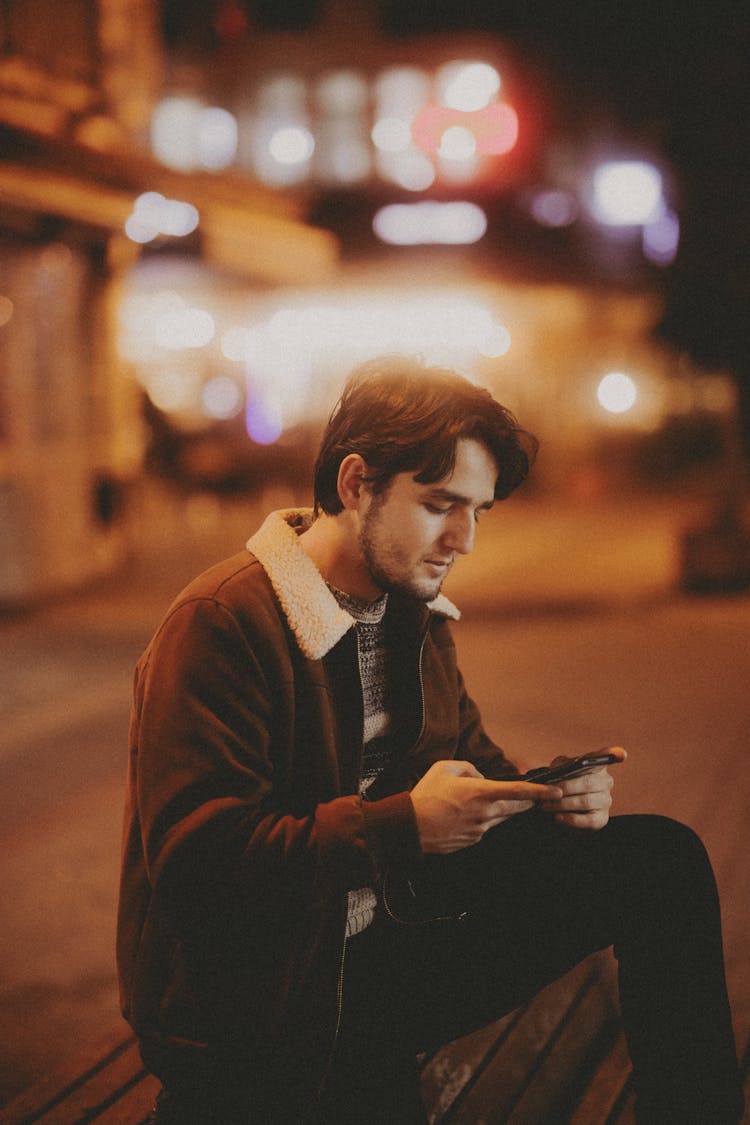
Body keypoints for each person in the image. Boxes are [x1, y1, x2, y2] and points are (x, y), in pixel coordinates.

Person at [117, 356, 743, 1124]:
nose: (464, 539)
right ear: (356, 484)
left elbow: (472, 766)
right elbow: (199, 868)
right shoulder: (221, 623)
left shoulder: (409, 607)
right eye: (441, 503)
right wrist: (402, 826)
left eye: (478, 509)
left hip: (396, 940)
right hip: (270, 1000)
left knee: (659, 860)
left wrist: (545, 795)